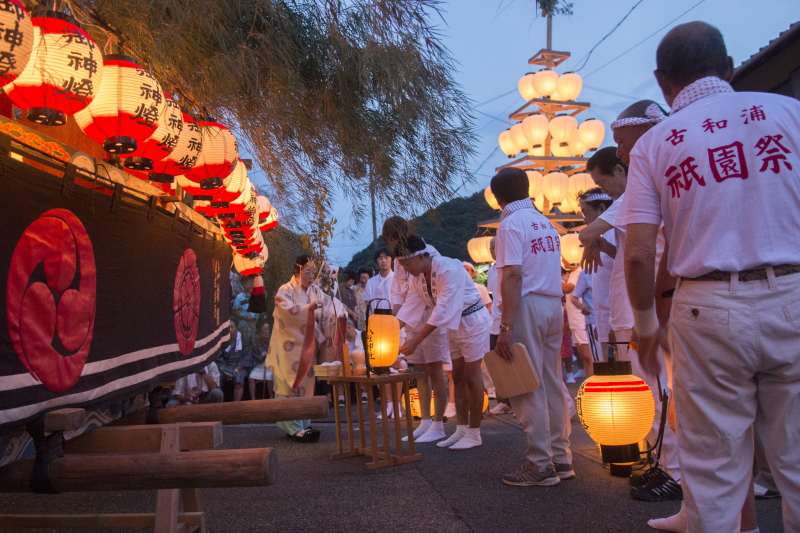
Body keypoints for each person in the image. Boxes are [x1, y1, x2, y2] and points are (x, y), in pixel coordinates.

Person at [619, 21, 800, 532]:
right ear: (727, 66)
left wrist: (647, 325)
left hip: (707, 307)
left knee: (715, 467)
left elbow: (638, 253)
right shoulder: (789, 114)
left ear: (662, 82)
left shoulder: (656, 144)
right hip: (794, 291)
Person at [488, 167, 572, 487]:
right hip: (553, 305)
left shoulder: (510, 224)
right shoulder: (546, 223)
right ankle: (561, 457)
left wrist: (505, 326)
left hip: (527, 306)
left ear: (497, 197)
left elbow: (512, 275)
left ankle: (539, 463)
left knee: (527, 383)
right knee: (552, 381)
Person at [397, 235, 491, 450]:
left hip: (473, 321)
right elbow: (410, 307)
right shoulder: (418, 277)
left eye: (406, 263)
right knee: (457, 377)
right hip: (454, 325)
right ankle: (460, 429)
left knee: (471, 376)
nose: (405, 269)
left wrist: (416, 340)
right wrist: (387, 332)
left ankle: (475, 433)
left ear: (420, 257)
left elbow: (443, 309)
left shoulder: (449, 268)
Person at [381, 217, 452, 438]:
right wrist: (394, 322)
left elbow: (434, 297)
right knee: (421, 371)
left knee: (435, 369)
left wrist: (399, 323)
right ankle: (425, 419)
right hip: (409, 315)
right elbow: (400, 291)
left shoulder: (428, 253)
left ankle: (438, 424)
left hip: (431, 315)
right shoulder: (401, 259)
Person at [266, 255, 347, 443]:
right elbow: (284, 310)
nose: (311, 276)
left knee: (306, 385)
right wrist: (308, 309)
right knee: (289, 384)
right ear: (297, 271)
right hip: (288, 346)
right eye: (307, 271)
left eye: (313, 272)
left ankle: (302, 424)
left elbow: (326, 312)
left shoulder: (316, 291)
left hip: (309, 345)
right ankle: (293, 428)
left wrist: (337, 314)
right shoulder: (285, 290)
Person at [577, 188, 616, 362]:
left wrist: (614, 324)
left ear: (601, 208)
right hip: (605, 321)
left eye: (586, 212)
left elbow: (622, 283)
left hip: (619, 321)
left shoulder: (615, 235)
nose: (584, 219)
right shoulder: (603, 237)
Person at [463, 261, 496, 399]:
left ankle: (492, 389)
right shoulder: (455, 287)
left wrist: (481, 316)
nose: (465, 272)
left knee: (485, 360)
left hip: (481, 325)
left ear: (473, 273)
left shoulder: (480, 287)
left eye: (468, 270)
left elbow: (489, 305)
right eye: (462, 270)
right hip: (464, 328)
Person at [216, 321, 255, 401]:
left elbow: (246, 357)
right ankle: (218, 404)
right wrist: (227, 371)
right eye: (228, 328)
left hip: (239, 366)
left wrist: (236, 370)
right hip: (225, 366)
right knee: (218, 378)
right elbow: (219, 357)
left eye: (232, 327)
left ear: (236, 328)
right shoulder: (221, 340)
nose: (230, 330)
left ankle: (236, 405)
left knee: (238, 382)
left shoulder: (244, 339)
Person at [248, 318, 274, 400]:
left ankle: (271, 397)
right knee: (251, 377)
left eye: (267, 329)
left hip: (270, 365)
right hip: (259, 365)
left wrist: (269, 355)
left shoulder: (272, 340)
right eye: (264, 329)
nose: (266, 331)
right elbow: (255, 357)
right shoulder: (256, 342)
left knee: (270, 376)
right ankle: (253, 399)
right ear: (259, 331)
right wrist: (261, 356)